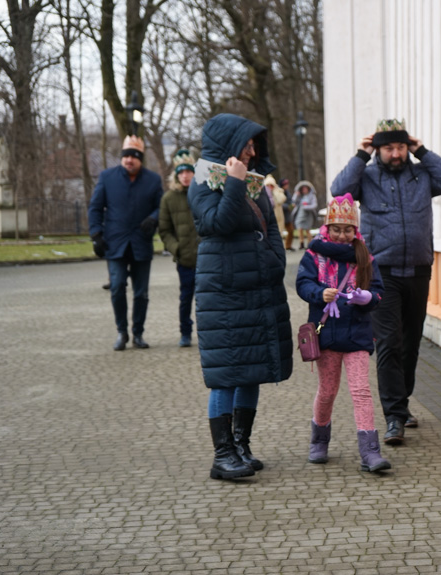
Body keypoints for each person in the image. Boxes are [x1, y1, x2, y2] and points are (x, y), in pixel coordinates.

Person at [330, 118, 441, 445]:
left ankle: (401, 403)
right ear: (378, 149)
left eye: (401, 146)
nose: (396, 153)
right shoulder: (368, 176)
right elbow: (339, 191)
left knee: (410, 341)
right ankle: (394, 416)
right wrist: (360, 157)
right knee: (389, 342)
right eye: (389, 147)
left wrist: (422, 150)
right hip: (381, 272)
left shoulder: (422, 174)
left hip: (418, 268)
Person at [187, 113, 293, 481]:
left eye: (254, 146)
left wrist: (276, 261)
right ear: (227, 147)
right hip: (225, 293)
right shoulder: (203, 183)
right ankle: (222, 456)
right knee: (226, 375)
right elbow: (218, 224)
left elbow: (272, 228)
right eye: (246, 145)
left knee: (251, 371)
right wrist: (232, 183)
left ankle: (241, 445)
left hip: (259, 289)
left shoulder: (255, 185)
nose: (251, 151)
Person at [295, 194, 392, 473]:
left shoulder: (364, 256)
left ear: (355, 230)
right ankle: (319, 441)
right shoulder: (314, 254)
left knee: (361, 391)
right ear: (327, 227)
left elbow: (378, 292)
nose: (341, 234)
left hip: (357, 334)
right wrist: (319, 293)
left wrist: (367, 298)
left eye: (347, 229)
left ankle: (370, 451)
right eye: (336, 228)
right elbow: (302, 284)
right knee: (327, 392)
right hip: (326, 335)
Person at [88, 135, 163, 351]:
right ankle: (122, 332)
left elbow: (161, 207)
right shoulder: (107, 177)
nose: (129, 160)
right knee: (117, 287)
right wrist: (96, 234)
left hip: (141, 242)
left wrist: (154, 217)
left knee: (141, 293)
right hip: (115, 243)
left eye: (134, 157)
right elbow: (94, 208)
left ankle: (138, 333)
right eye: (126, 156)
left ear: (141, 159)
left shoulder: (153, 180)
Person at [159, 148, 199, 348]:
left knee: (208, 301)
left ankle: (209, 333)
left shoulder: (203, 193)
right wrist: (177, 249)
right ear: (176, 175)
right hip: (185, 260)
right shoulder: (169, 199)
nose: (185, 176)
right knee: (186, 298)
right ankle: (185, 332)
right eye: (181, 173)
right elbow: (164, 230)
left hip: (206, 259)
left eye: (188, 172)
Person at [292, 180, 319, 249]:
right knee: (299, 229)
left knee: (307, 230)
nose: (304, 190)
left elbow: (314, 205)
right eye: (303, 189)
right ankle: (301, 243)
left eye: (305, 188)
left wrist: (306, 206)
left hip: (308, 215)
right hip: (300, 215)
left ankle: (309, 244)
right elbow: (294, 201)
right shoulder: (300, 196)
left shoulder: (312, 196)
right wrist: (296, 194)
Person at [280, 178, 296, 251]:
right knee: (280, 232)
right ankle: (280, 246)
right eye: (285, 184)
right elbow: (279, 203)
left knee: (291, 230)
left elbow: (290, 200)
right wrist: (288, 206)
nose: (287, 186)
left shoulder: (287, 192)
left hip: (287, 215)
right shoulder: (279, 192)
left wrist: (292, 204)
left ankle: (288, 245)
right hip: (281, 215)